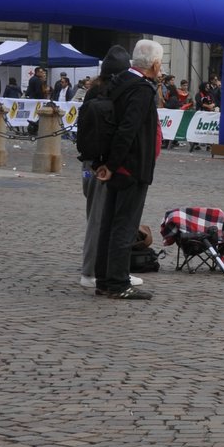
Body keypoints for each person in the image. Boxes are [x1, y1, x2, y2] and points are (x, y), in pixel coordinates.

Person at [92, 40, 164, 300]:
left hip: (114, 165)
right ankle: (118, 283)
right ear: (155, 65)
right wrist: (112, 165)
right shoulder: (142, 90)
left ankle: (103, 279)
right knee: (125, 225)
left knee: (109, 224)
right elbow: (128, 129)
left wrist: (105, 163)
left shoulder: (117, 82)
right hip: (131, 166)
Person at [77, 46, 131, 289]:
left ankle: (99, 268)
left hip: (87, 165)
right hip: (100, 165)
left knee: (95, 216)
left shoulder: (92, 92)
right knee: (99, 219)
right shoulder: (112, 93)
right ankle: (91, 272)